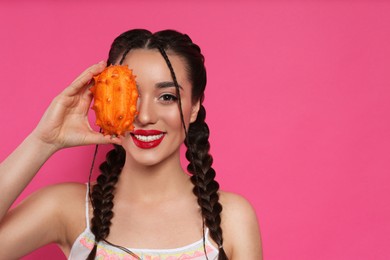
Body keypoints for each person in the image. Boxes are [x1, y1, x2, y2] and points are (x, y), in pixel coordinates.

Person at [0, 29, 262, 260]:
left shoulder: (232, 218)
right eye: (129, 95)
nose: (145, 116)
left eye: (167, 97)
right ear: (103, 100)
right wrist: (44, 140)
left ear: (194, 107)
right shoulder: (65, 208)